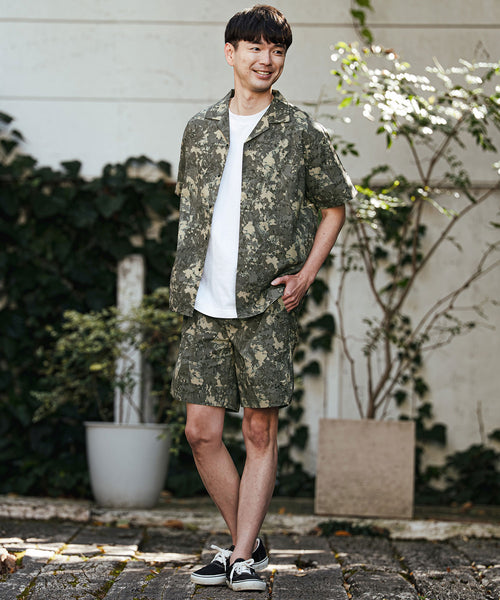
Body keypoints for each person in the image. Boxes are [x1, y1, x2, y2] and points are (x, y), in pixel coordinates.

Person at [169, 4, 356, 593]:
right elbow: (193, 208)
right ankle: (246, 544)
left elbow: (334, 206)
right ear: (231, 53)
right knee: (201, 432)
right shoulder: (200, 128)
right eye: (254, 47)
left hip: (265, 304)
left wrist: (306, 274)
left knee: (258, 432)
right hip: (204, 303)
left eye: (276, 50)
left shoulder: (300, 131)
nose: (266, 59)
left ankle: (242, 557)